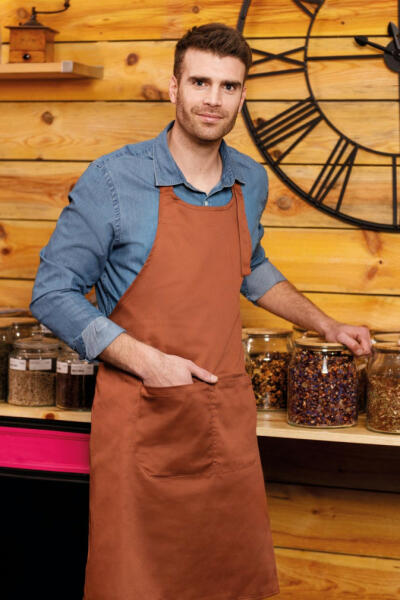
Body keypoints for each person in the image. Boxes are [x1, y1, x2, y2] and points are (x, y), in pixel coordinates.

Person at [30, 23, 371, 600]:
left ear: (242, 96)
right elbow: (51, 292)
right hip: (143, 416)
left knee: (229, 583)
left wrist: (326, 325)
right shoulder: (113, 179)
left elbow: (250, 266)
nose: (214, 99)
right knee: (134, 584)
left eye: (229, 86)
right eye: (200, 82)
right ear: (174, 88)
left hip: (224, 416)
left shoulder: (249, 180)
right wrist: (150, 363)